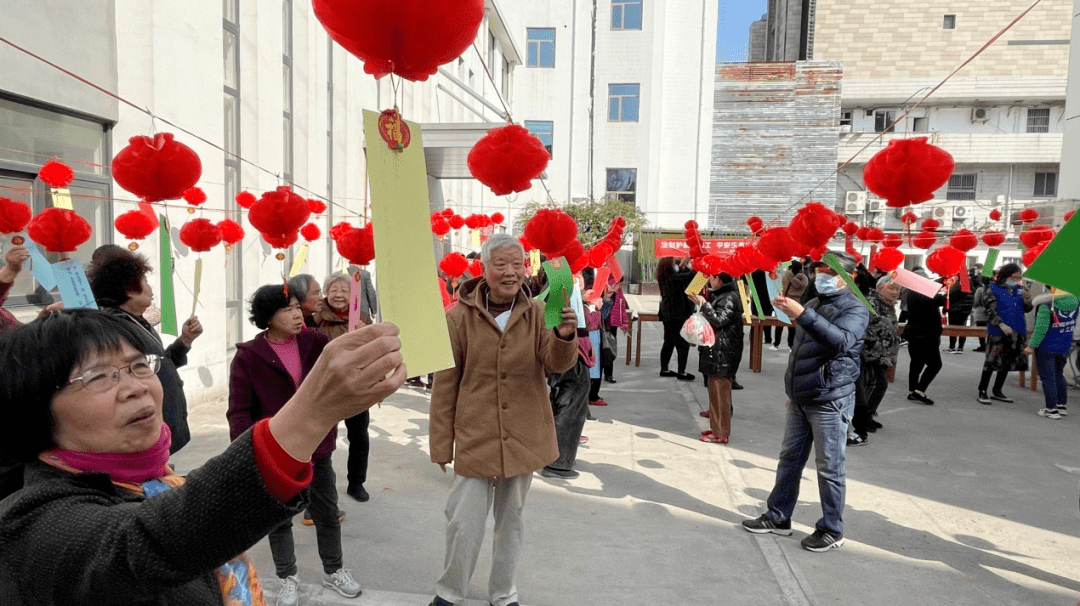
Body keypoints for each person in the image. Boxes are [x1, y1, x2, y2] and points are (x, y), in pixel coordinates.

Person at [0, 308, 405, 605]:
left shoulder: (156, 482)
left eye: (139, 365)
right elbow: (151, 539)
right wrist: (311, 412)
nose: (136, 387)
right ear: (35, 409)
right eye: (99, 376)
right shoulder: (34, 524)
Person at [428, 234, 578, 606]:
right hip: (476, 434)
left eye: (517, 264)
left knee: (510, 523)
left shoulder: (543, 313)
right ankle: (450, 592)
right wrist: (441, 444)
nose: (510, 273)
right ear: (483, 269)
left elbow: (557, 364)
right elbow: (445, 385)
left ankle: (503, 593)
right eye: (501, 264)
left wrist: (565, 335)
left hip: (524, 434)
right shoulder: (458, 318)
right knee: (463, 523)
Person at [228, 285, 361, 605]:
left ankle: (334, 570)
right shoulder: (249, 356)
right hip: (276, 451)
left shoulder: (316, 342)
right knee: (279, 519)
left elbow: (338, 376)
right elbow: (239, 410)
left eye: (297, 307)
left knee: (327, 514)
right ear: (268, 318)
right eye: (287, 309)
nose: (298, 314)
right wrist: (247, 452)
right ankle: (288, 577)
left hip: (316, 446)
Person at [742, 251, 869, 552]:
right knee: (789, 460)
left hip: (830, 398)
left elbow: (840, 342)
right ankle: (778, 516)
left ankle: (831, 529)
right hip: (801, 397)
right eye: (818, 271)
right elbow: (799, 353)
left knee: (829, 467)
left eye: (829, 272)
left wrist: (803, 314)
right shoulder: (812, 304)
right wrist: (792, 392)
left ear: (849, 278)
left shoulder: (856, 308)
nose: (821, 276)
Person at [88, 247, 203, 454]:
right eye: (146, 282)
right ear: (130, 289)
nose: (151, 289)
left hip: (162, 431)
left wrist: (185, 341)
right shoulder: (117, 328)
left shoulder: (137, 321)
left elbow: (156, 365)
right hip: (143, 436)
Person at [314, 271, 373, 503]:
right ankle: (318, 489)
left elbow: (373, 350)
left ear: (353, 294)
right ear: (326, 292)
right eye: (334, 290)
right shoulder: (316, 318)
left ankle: (356, 483)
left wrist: (364, 334)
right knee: (320, 438)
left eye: (344, 290)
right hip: (326, 386)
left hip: (356, 385)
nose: (339, 295)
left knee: (359, 436)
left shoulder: (362, 319)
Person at [542, 293, 597, 479]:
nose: (582, 281)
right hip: (572, 354)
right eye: (580, 275)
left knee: (562, 404)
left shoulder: (557, 285)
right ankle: (558, 462)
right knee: (570, 408)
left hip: (565, 352)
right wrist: (593, 307)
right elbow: (585, 325)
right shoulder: (564, 288)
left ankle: (555, 456)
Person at [690, 272, 743, 444]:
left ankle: (721, 433)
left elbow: (719, 321)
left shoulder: (729, 297)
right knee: (714, 391)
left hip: (724, 352)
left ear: (719, 279)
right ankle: (716, 427)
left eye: (712, 277)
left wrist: (705, 304)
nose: (709, 280)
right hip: (718, 349)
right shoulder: (723, 295)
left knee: (720, 393)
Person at [849, 276, 902, 445]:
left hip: (882, 352)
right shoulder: (870, 302)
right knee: (878, 383)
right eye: (891, 288)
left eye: (898, 289)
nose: (895, 292)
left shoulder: (889, 305)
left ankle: (868, 415)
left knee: (874, 384)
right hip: (869, 351)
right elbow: (861, 325)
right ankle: (863, 417)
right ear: (880, 288)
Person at [977, 263, 1033, 405]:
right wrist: (1001, 324)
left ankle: (997, 390)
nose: (1017, 280)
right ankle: (982, 391)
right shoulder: (992, 289)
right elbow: (989, 310)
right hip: (998, 331)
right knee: (992, 361)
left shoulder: (1021, 289)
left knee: (1007, 362)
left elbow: (1026, 309)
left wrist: (1028, 299)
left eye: (1019, 277)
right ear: (1006, 275)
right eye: (1014, 277)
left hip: (1018, 330)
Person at [1024, 289, 1078, 419]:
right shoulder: (1076, 300)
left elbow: (1040, 329)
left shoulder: (1046, 306)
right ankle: (1061, 406)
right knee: (1059, 374)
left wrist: (1031, 346)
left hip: (1047, 347)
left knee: (1048, 378)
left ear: (1050, 289)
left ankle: (1051, 409)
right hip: (1065, 345)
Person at [902, 269, 945, 405]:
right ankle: (919, 391)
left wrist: (945, 279)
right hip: (926, 335)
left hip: (915, 333)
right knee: (935, 365)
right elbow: (942, 300)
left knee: (917, 362)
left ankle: (912, 390)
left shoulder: (912, 292)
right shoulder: (921, 293)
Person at [656, 256, 696, 381]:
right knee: (682, 343)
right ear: (669, 265)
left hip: (668, 314)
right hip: (677, 314)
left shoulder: (665, 276)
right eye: (674, 263)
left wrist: (683, 265)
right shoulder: (671, 277)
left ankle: (664, 369)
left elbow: (682, 274)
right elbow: (687, 276)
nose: (676, 265)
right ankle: (681, 372)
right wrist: (697, 268)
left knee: (669, 341)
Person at [774, 261, 808, 350]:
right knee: (793, 324)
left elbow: (783, 289)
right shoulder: (804, 279)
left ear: (791, 268)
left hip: (786, 300)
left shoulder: (786, 276)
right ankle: (791, 345)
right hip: (797, 301)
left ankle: (776, 344)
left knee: (780, 322)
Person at [946, 277, 974, 354]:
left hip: (954, 311)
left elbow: (950, 298)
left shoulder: (956, 287)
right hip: (965, 311)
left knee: (953, 328)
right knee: (962, 328)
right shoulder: (971, 289)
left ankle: (952, 346)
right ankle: (960, 347)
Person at [971, 272, 993, 352]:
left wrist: (974, 306)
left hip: (980, 313)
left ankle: (982, 346)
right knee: (989, 331)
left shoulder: (980, 290)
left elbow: (976, 302)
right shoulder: (993, 289)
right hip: (991, 313)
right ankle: (989, 346)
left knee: (980, 331)